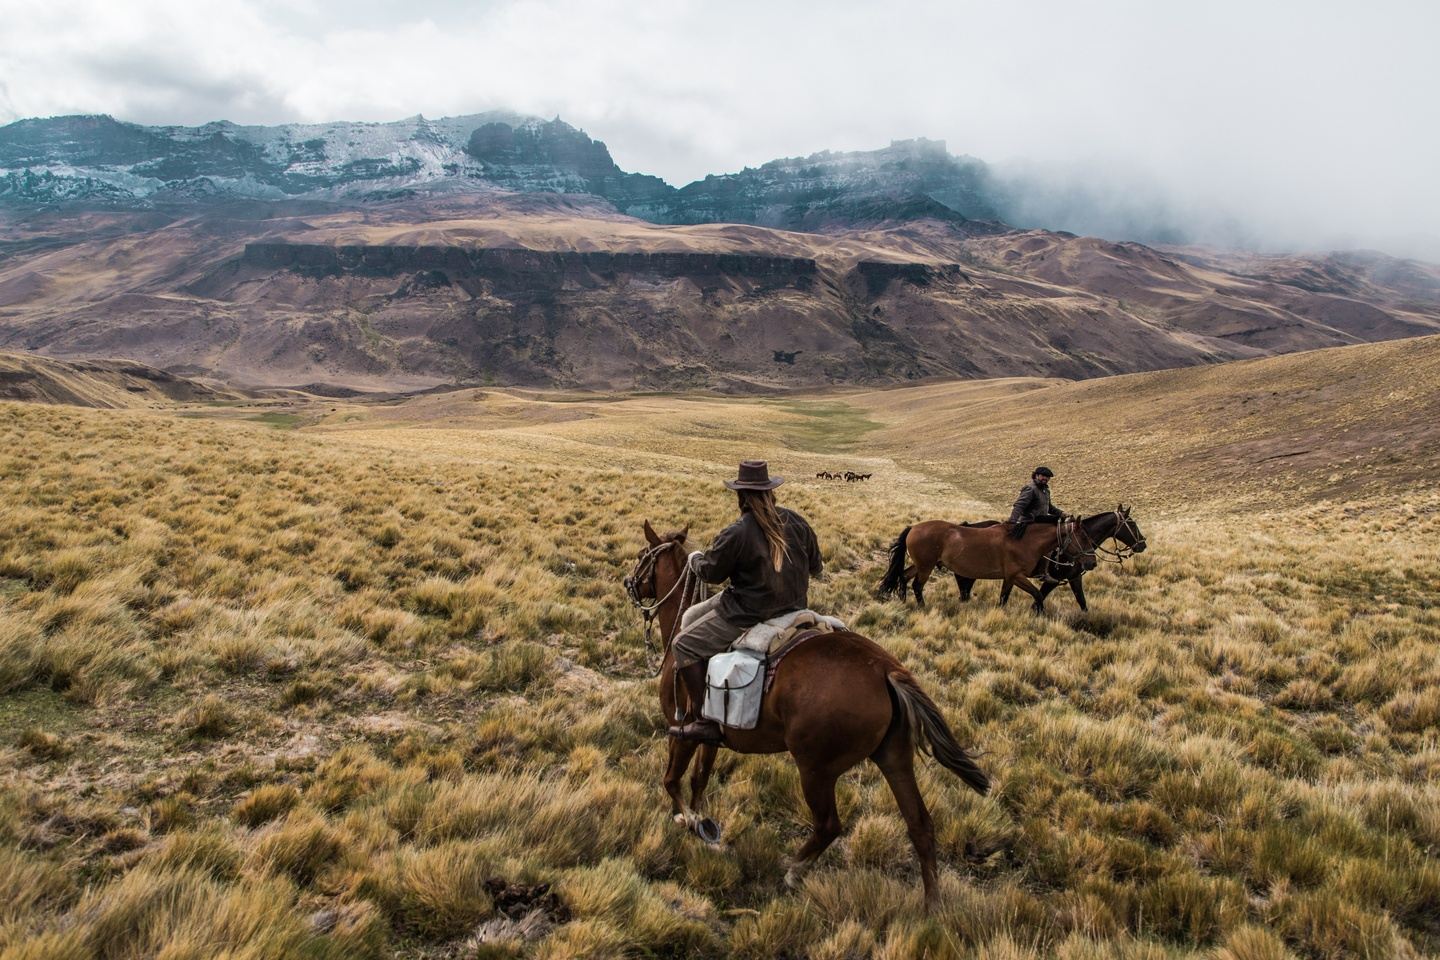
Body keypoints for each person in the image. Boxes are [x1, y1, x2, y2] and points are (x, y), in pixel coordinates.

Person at [668, 460, 823, 744]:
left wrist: (695, 558)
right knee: (694, 616)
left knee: (683, 644)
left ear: (741, 496)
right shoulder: (797, 521)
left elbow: (711, 573)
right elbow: (816, 567)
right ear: (770, 492)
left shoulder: (738, 532)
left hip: (746, 613)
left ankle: (705, 721)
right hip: (795, 608)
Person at [1007, 466, 1062, 540]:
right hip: (1029, 523)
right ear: (1036, 475)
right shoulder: (1031, 488)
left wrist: (1062, 514)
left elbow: (1049, 507)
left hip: (1041, 521)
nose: (1045, 478)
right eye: (1043, 476)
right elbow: (1019, 506)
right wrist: (1012, 523)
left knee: (1060, 521)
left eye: (1047, 477)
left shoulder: (1046, 491)